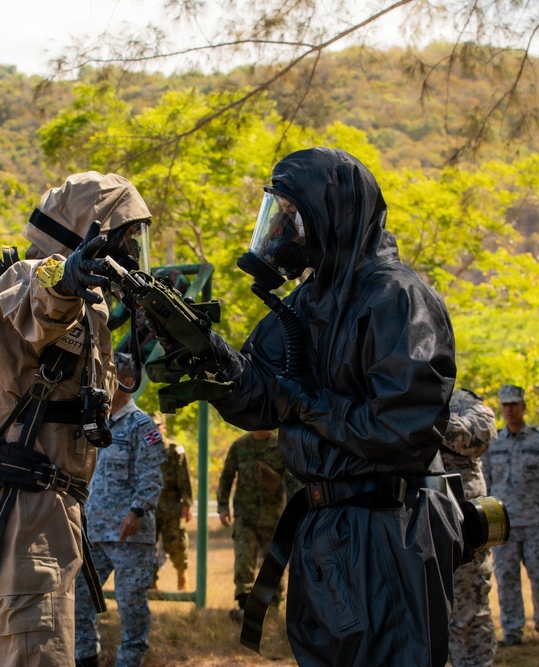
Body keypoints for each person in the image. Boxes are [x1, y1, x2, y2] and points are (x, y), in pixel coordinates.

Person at [197, 147, 461, 666]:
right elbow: (259, 397)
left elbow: (405, 430)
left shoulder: (395, 298)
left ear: (329, 214)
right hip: (323, 525)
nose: (281, 230)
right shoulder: (308, 299)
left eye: (291, 216)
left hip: (386, 526)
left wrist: (308, 405)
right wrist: (205, 350)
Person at [0, 171, 153, 667]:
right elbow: (43, 301)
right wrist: (68, 279)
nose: (131, 250)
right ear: (92, 230)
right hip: (23, 513)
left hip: (44, 513)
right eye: (124, 235)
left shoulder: (87, 310)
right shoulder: (29, 278)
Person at [74, 353, 165, 667]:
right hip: (95, 531)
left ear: (126, 381)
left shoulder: (143, 426)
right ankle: (85, 659)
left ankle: (129, 661)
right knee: (80, 601)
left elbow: (152, 476)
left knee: (131, 606)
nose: (101, 383)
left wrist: (137, 511)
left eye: (108, 376)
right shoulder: (95, 425)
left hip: (129, 535)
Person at [482, 384, 539, 647]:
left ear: (523, 407)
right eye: (505, 404)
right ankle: (512, 629)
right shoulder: (492, 443)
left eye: (514, 404)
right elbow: (484, 483)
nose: (509, 409)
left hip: (535, 525)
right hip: (503, 527)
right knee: (506, 579)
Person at [442, 389, 498, 667]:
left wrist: (425, 419)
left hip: (465, 529)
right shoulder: (394, 397)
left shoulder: (461, 401)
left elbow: (478, 436)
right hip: (414, 527)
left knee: (469, 613)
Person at [217, 429, 298, 622]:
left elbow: (292, 482)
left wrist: (296, 511)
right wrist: (222, 506)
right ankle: (245, 607)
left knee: (273, 563)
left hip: (274, 518)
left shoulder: (281, 446)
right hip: (245, 517)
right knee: (244, 560)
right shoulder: (239, 446)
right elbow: (226, 477)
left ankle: (273, 607)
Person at [151, 411, 193, 592]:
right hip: (149, 506)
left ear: (163, 428)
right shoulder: (142, 449)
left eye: (156, 427)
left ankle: (182, 577)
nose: (153, 431)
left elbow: (185, 479)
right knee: (147, 547)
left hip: (171, 505)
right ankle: (150, 583)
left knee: (176, 543)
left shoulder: (175, 450)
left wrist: (186, 504)